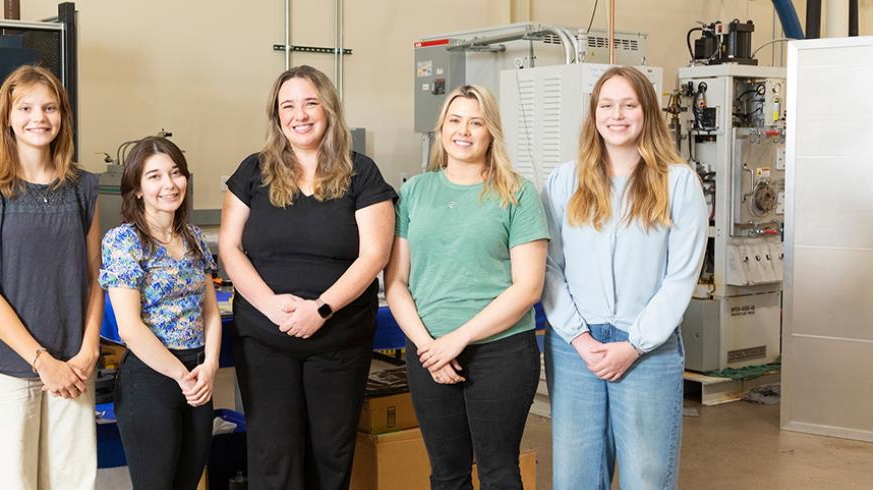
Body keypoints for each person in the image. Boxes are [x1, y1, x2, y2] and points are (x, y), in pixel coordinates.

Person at [218, 65, 396, 489]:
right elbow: (229, 248)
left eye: (310, 103)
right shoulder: (253, 171)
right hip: (265, 338)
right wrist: (269, 305)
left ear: (329, 108)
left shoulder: (362, 172)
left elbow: (375, 254)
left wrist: (321, 308)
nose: (300, 114)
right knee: (273, 453)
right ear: (276, 115)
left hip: (338, 338)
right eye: (288, 106)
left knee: (329, 454)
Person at [542, 66, 707, 490]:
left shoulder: (679, 183)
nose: (618, 115)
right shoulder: (564, 182)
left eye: (629, 104)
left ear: (647, 113)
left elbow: (680, 279)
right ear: (594, 114)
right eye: (607, 105)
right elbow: (549, 268)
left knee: (646, 477)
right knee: (574, 478)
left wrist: (634, 345)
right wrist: (580, 338)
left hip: (646, 345)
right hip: (574, 346)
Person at [384, 84, 548, 490]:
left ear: (491, 131)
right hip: (429, 353)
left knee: (499, 472)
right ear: (441, 129)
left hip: (501, 351)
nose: (464, 131)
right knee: (447, 473)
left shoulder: (518, 193)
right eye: (455, 121)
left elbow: (528, 288)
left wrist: (457, 340)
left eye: (476, 122)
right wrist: (430, 348)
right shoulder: (414, 192)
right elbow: (396, 283)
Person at [0, 64, 101, 489]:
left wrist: (88, 351)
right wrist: (42, 361)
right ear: (7, 116)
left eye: (49, 108)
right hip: (8, 369)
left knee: (72, 482)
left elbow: (96, 279)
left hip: (74, 367)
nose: (38, 118)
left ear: (62, 117)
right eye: (26, 107)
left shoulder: (84, 189)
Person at [100, 136, 222, 490]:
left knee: (188, 482)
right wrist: (181, 376)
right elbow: (129, 328)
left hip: (199, 375)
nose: (169, 184)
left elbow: (210, 311)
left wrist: (211, 365)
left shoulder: (195, 237)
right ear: (137, 188)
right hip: (151, 379)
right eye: (154, 176)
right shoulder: (124, 241)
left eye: (175, 173)